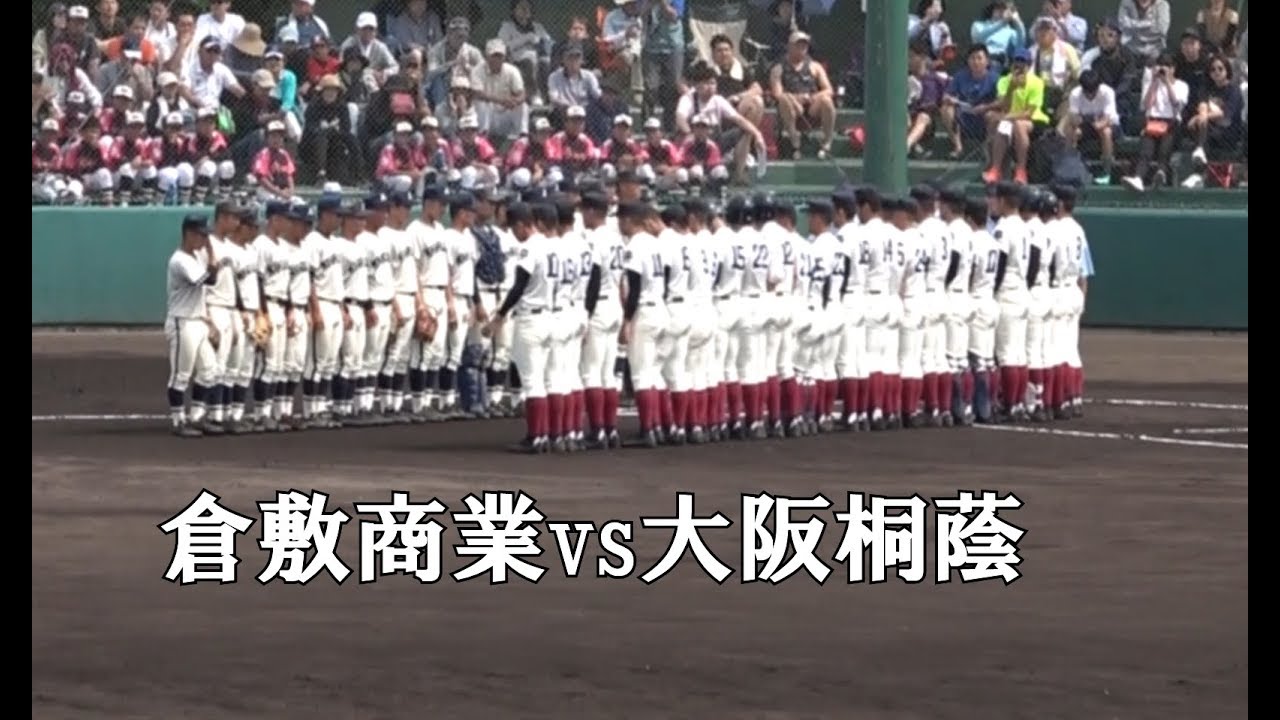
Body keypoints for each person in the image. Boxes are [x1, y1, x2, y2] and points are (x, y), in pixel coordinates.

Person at [485, 201, 558, 453]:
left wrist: (499, 315)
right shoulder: (551, 246)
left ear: (521, 225)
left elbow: (518, 287)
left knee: (532, 381)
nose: (513, 233)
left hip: (531, 319)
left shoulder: (530, 248)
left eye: (513, 227)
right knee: (543, 379)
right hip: (550, 316)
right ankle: (544, 434)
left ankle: (536, 436)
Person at [165, 213, 220, 437]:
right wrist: (212, 254)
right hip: (182, 322)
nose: (204, 240)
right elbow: (209, 280)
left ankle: (196, 417)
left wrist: (209, 321)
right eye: (201, 235)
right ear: (188, 234)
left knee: (209, 371)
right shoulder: (180, 260)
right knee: (181, 375)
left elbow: (209, 281)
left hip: (197, 321)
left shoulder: (195, 257)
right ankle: (178, 421)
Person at [992, 182, 1032, 422]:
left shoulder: (1004, 227)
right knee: (1018, 354)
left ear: (1003, 201)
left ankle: (1010, 405)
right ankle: (1017, 404)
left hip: (1007, 292)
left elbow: (999, 265)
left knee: (1007, 354)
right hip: (1022, 291)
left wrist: (992, 292)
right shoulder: (1025, 227)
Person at [1120, 52, 1188, 192]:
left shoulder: (1182, 85)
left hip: (1171, 122)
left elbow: (1177, 105)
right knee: (1146, 150)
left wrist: (1167, 83)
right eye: (1160, 65)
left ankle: (1161, 172)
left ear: (1173, 69)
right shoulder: (1151, 83)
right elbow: (1147, 105)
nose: (1163, 69)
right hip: (1153, 121)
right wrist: (1154, 83)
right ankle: (1139, 178)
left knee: (1164, 148)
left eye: (1167, 66)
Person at [982, 49, 1049, 185]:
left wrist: (1007, 117)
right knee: (1002, 127)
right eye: (1016, 62)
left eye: (1022, 63)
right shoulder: (1004, 81)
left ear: (1029, 65)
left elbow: (1029, 113)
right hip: (1010, 117)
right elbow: (1004, 107)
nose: (1018, 66)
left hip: (1034, 120)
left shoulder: (1037, 82)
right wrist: (1011, 89)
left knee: (1018, 125)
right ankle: (995, 169)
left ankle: (1021, 170)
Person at [768, 31, 835, 159]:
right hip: (792, 106)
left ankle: (827, 141)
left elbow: (829, 89)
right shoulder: (778, 68)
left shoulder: (815, 66)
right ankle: (795, 140)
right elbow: (777, 93)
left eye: (804, 45)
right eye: (798, 45)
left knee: (827, 100)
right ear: (789, 46)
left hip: (812, 105)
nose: (802, 48)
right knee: (784, 99)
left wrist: (813, 97)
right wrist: (796, 98)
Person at [1062, 69, 1119, 185]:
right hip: (1086, 125)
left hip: (1108, 125)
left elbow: (1108, 118)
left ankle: (1107, 170)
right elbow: (1074, 117)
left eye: (1093, 92)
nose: (1090, 96)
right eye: (1087, 92)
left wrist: (1098, 124)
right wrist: (1078, 123)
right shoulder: (1075, 94)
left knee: (1106, 132)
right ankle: (1069, 167)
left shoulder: (1108, 92)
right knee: (1070, 131)